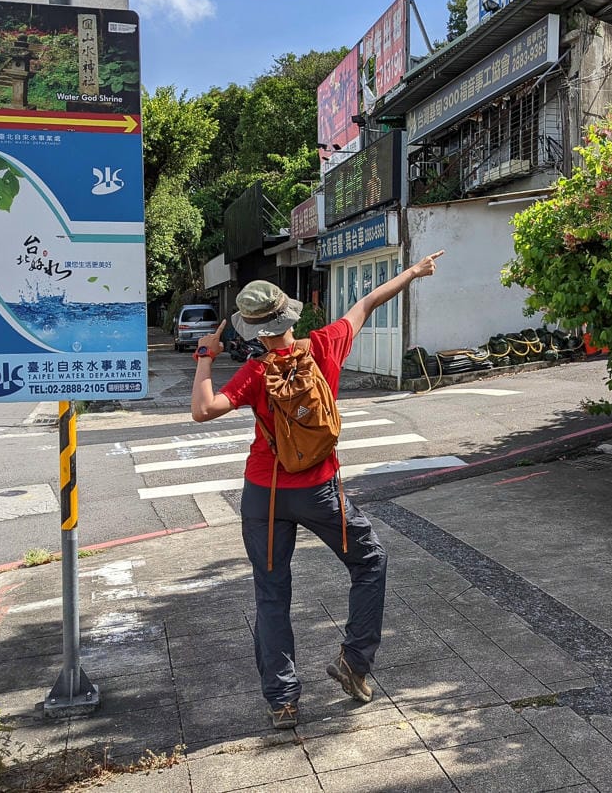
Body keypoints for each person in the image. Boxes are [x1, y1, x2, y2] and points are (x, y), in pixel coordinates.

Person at [189, 250, 445, 730]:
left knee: (271, 594)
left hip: (263, 495)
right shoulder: (324, 346)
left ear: (252, 328)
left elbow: (203, 409)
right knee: (369, 561)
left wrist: (206, 356)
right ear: (289, 315)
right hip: (320, 490)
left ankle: (283, 702)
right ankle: (354, 662)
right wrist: (413, 272)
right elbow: (367, 303)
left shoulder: (254, 373)